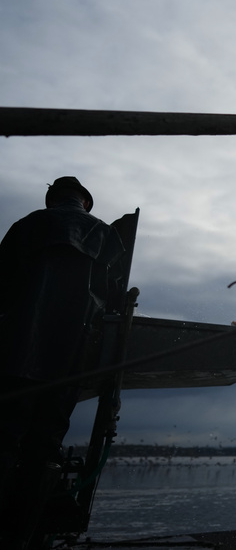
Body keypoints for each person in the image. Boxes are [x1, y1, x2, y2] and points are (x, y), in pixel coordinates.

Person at [0, 177, 125, 548]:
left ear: (53, 201)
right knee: (47, 443)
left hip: (14, 353)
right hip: (73, 357)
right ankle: (23, 534)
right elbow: (113, 300)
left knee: (5, 438)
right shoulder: (106, 235)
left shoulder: (26, 225)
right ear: (85, 203)